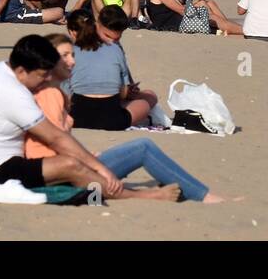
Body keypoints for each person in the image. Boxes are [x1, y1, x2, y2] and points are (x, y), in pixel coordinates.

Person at [26, 33, 226, 201]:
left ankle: (173, 192)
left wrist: (85, 155)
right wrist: (87, 162)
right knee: (143, 148)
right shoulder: (49, 94)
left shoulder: (54, 91)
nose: (72, 61)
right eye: (65, 56)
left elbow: (56, 139)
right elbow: (51, 145)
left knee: (138, 149)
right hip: (57, 175)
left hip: (62, 167)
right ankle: (203, 197)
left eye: (72, 54)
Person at [0, 34, 124, 199]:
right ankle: (132, 195)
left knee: (76, 163)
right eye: (42, 75)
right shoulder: (11, 91)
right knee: (70, 165)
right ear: (22, 71)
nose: (47, 79)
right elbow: (55, 137)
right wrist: (100, 168)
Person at [66, 7, 153, 129]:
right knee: (147, 99)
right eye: (107, 36)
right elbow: (122, 92)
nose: (111, 41)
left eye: (116, 39)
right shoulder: (115, 49)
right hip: (111, 119)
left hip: (75, 116)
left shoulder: (73, 47)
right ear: (97, 24)